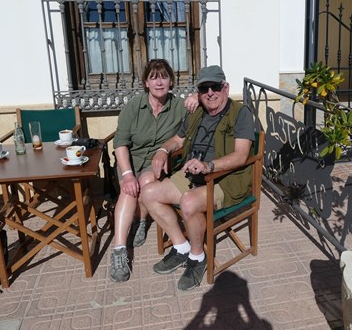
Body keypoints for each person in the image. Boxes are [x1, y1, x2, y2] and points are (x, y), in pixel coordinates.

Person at [141, 65, 256, 290]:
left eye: (215, 87)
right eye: (204, 88)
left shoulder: (241, 114)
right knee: (148, 193)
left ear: (226, 88)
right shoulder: (197, 112)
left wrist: (208, 166)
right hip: (193, 175)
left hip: (226, 179)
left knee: (189, 202)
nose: (210, 92)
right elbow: (177, 140)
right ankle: (181, 246)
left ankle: (197, 256)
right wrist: (163, 151)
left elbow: (241, 155)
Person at [109, 59, 198, 282]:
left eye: (164, 76)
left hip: (156, 163)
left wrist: (196, 97)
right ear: (146, 83)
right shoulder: (134, 106)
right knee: (129, 188)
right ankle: (119, 249)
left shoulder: (178, 106)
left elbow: (206, 108)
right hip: (129, 160)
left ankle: (140, 219)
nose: (159, 82)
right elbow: (119, 142)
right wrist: (127, 174)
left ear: (171, 81)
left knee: (147, 181)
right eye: (153, 77)